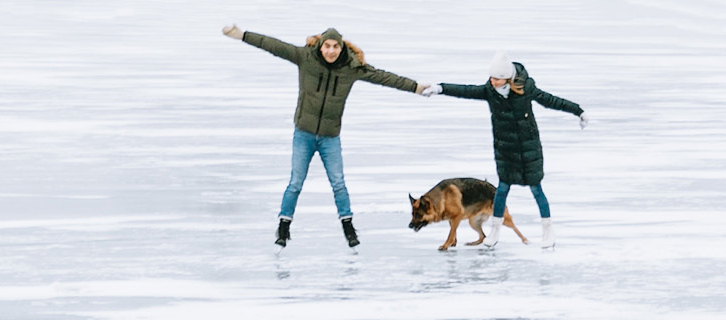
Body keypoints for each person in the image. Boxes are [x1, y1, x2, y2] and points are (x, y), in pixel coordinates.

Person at [224, 24, 434, 248]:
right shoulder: (305, 58)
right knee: (295, 183)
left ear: (341, 48)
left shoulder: (351, 67)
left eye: (335, 46)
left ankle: (348, 226)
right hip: (303, 134)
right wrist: (242, 35)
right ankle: (283, 227)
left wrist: (415, 87)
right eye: (327, 46)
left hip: (330, 137)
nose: (331, 51)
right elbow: (273, 45)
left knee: (338, 183)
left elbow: (384, 77)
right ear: (321, 46)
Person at [437, 55, 585, 249]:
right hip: (505, 149)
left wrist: (578, 111)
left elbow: (551, 101)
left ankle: (548, 231)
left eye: (497, 78)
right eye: (491, 78)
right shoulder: (490, 91)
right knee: (502, 189)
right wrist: (440, 88)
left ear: (507, 78)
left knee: (536, 189)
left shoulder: (526, 89)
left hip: (529, 149)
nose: (492, 81)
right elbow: (465, 91)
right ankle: (495, 231)